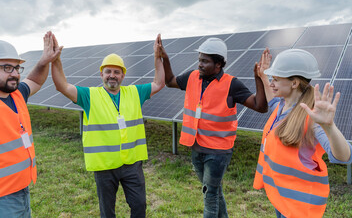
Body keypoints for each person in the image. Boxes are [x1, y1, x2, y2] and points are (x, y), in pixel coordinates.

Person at [51, 34, 165, 218]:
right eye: (108, 71)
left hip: (132, 163)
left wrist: (156, 57)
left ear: (123, 75)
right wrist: (55, 59)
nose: (112, 75)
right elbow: (62, 86)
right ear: (101, 74)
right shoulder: (89, 96)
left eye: (116, 72)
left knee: (139, 205)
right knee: (107, 211)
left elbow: (159, 83)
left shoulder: (135, 92)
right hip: (104, 166)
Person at [156, 35, 268, 217]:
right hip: (196, 148)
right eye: (199, 59)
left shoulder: (232, 84)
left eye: (205, 61)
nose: (199, 64)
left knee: (209, 196)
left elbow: (260, 106)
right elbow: (170, 81)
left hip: (217, 152)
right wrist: (166, 58)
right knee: (213, 191)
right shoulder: (192, 77)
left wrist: (258, 78)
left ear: (218, 65)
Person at [253, 48, 352, 218]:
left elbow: (344, 156)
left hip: (300, 206)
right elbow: (272, 100)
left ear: (294, 83)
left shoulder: (312, 117)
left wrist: (329, 127)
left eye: (276, 79)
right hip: (282, 197)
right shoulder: (282, 105)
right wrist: (263, 75)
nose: (271, 84)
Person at [0, 31, 62, 217]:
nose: (15, 74)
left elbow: (35, 80)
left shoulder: (16, 95)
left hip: (21, 190)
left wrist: (44, 60)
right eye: (7, 68)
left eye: (17, 68)